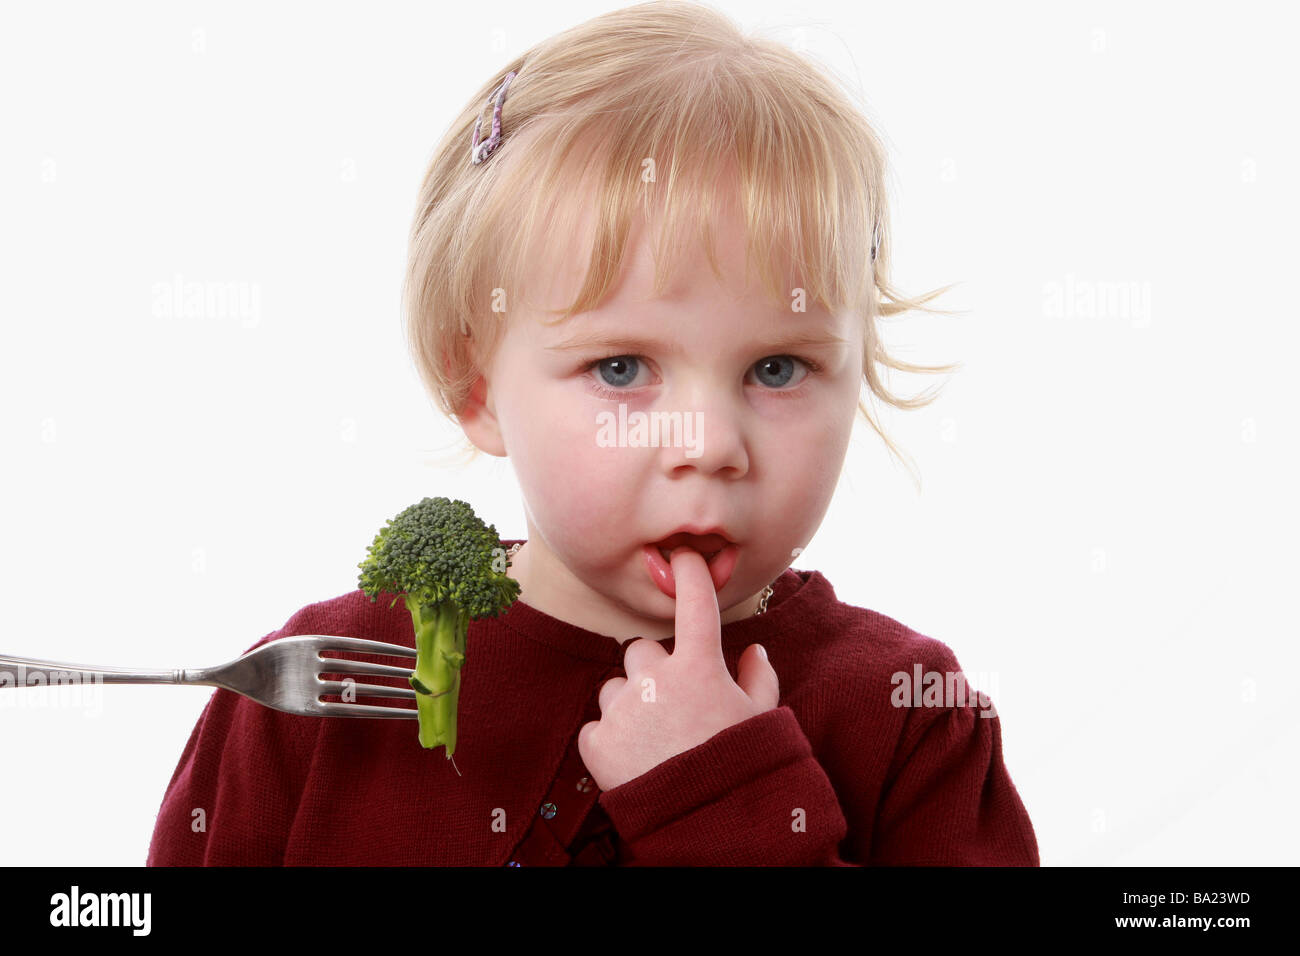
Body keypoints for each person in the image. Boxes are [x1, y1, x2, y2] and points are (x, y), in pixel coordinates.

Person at [147, 0, 1038, 866]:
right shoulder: (312, 693)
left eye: (777, 368)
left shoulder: (913, 719)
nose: (708, 443)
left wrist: (730, 806)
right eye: (621, 369)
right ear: (478, 388)